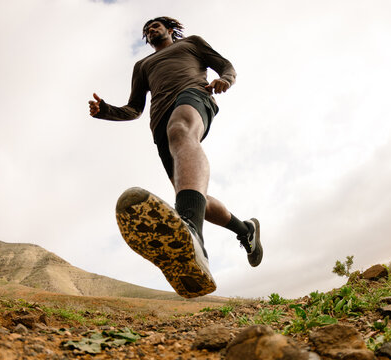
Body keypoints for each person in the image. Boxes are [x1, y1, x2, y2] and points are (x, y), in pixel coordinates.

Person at [89, 16, 262, 297]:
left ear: (169, 29)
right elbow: (134, 109)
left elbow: (226, 65)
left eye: (155, 26)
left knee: (181, 130)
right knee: (190, 192)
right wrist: (105, 110)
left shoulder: (192, 44)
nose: (150, 30)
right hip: (159, 123)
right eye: (146, 30)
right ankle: (245, 229)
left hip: (193, 96)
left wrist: (225, 80)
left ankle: (193, 236)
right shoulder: (142, 66)